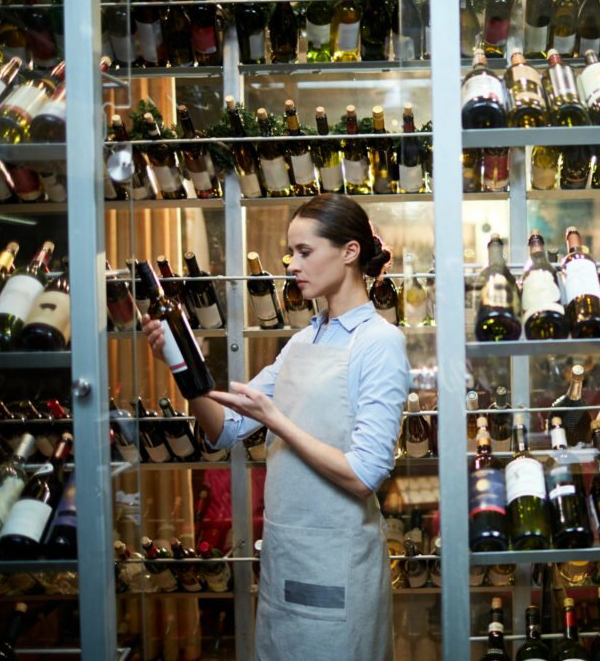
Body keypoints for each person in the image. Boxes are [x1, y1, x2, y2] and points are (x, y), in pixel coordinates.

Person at [142, 194, 411, 660]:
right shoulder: (302, 342)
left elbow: (364, 475)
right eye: (291, 253)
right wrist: (179, 364)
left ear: (349, 252)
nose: (291, 264)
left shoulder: (380, 344)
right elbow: (224, 427)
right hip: (286, 557)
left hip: (336, 563)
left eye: (304, 252)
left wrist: (276, 421)